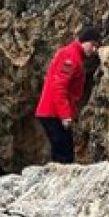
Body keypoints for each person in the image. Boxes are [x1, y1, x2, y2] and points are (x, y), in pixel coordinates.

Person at [36, 28, 102, 164]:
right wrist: (65, 115)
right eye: (93, 44)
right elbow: (59, 86)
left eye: (97, 46)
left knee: (62, 151)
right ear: (84, 41)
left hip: (52, 112)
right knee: (64, 155)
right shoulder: (71, 56)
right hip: (53, 113)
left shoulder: (72, 54)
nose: (94, 49)